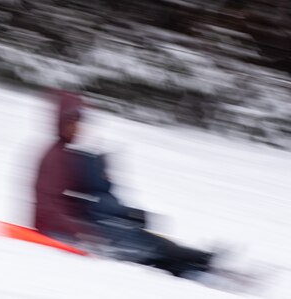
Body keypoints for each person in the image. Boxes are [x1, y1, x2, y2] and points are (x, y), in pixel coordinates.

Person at [33, 91, 215, 278]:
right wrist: (81, 233)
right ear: (61, 123)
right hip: (65, 231)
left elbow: (92, 194)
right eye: (73, 122)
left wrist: (126, 211)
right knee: (148, 246)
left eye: (79, 123)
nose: (78, 128)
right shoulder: (53, 159)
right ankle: (200, 264)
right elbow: (48, 208)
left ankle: (199, 263)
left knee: (146, 239)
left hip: (84, 223)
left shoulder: (68, 154)